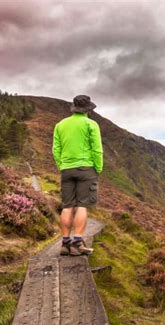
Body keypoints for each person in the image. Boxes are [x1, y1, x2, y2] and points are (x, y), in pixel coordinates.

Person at [52, 95, 103, 256]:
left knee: (67, 206)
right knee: (82, 205)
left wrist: (62, 166)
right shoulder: (91, 124)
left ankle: (65, 244)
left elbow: (55, 149)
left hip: (66, 169)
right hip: (86, 169)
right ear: (88, 109)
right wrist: (98, 168)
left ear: (74, 108)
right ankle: (77, 243)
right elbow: (97, 149)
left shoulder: (60, 125)